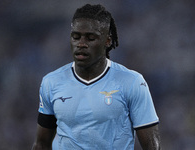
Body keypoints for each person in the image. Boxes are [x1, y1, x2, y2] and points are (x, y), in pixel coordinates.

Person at [32, 4, 161, 150]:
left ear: (108, 41)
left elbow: (152, 146)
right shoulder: (51, 82)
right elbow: (41, 143)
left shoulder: (132, 82)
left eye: (90, 38)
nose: (81, 44)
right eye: (76, 37)